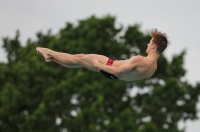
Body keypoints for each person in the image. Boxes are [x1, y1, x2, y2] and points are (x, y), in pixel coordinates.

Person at [36, 29, 169, 81]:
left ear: (153, 46)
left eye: (149, 42)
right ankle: (51, 57)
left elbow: (117, 70)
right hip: (115, 75)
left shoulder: (140, 60)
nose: (147, 44)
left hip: (110, 67)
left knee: (79, 58)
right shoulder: (153, 68)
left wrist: (99, 65)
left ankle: (49, 54)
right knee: (80, 59)